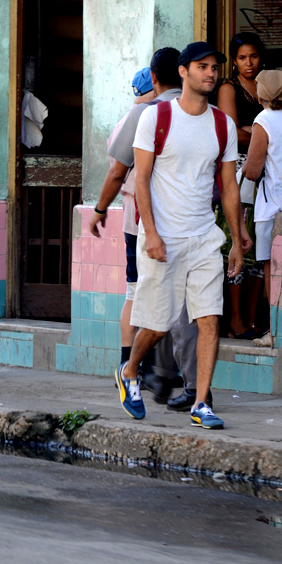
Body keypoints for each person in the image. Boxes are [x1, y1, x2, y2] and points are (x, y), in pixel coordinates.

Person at [115, 42, 243, 429]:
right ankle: (129, 371)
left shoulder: (222, 124)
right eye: (202, 67)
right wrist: (149, 233)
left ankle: (201, 403)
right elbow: (141, 179)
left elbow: (229, 185)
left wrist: (237, 238)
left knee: (208, 320)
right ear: (183, 72)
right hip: (162, 239)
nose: (211, 73)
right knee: (156, 324)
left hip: (204, 236)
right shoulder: (156, 118)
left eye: (214, 67)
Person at [92, 52, 201, 410]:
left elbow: (117, 171)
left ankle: (135, 368)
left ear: (154, 77)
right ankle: (182, 380)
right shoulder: (203, 113)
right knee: (181, 303)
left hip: (145, 226)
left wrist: (99, 210)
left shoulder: (144, 113)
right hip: (189, 224)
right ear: (184, 74)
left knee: (142, 295)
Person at [217, 32, 265, 339]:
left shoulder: (268, 85)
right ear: (234, 61)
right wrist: (261, 132)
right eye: (242, 58)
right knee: (236, 245)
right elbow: (231, 132)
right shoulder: (228, 88)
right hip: (237, 174)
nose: (249, 63)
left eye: (253, 56)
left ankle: (250, 319)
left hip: (265, 175)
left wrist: (255, 131)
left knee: (259, 248)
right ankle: (234, 320)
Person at [240, 69, 282, 349]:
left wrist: (244, 168)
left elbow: (254, 168)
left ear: (261, 93)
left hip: (270, 207)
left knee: (270, 268)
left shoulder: (264, 119)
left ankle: (274, 330)